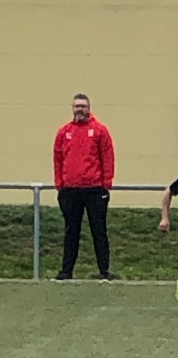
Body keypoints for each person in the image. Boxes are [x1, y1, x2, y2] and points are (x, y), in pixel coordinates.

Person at [53, 93, 116, 281]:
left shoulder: (100, 130)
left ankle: (104, 271)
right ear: (72, 108)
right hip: (70, 189)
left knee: (99, 230)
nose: (80, 109)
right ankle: (66, 271)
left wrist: (106, 183)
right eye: (77, 106)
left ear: (89, 108)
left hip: (94, 189)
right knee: (71, 231)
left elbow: (108, 157)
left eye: (83, 106)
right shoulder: (64, 132)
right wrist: (60, 184)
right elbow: (58, 159)